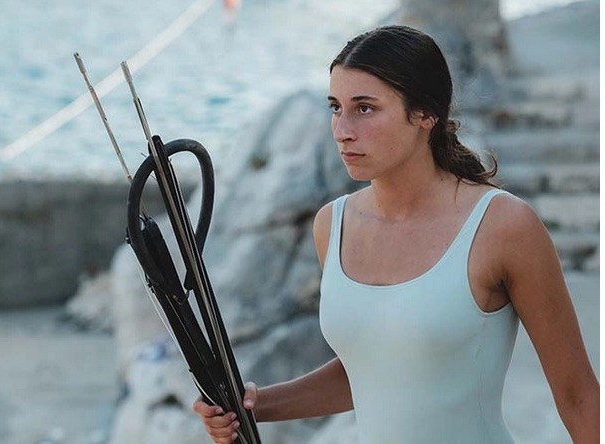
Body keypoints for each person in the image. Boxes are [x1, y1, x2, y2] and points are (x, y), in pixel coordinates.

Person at [193, 25, 599, 443]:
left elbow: (579, 396)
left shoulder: (502, 225)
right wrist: (253, 406)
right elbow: (375, 369)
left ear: (425, 114)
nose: (342, 130)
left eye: (365, 108)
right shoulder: (333, 225)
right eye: (335, 107)